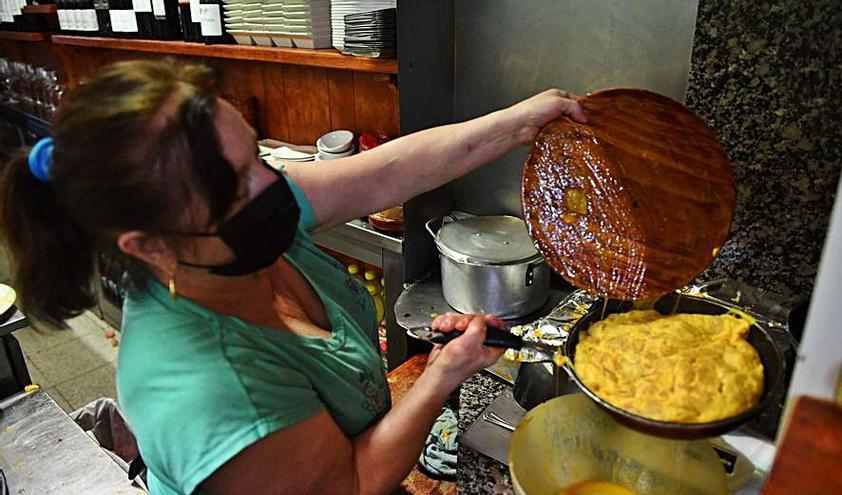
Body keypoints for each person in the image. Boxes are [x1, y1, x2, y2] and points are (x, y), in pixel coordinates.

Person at [0, 59, 587, 495]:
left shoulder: (237, 231)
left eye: (257, 156)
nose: (275, 183)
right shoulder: (203, 388)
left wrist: (519, 124)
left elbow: (384, 174)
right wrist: (442, 375)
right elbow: (350, 483)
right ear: (150, 245)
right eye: (237, 184)